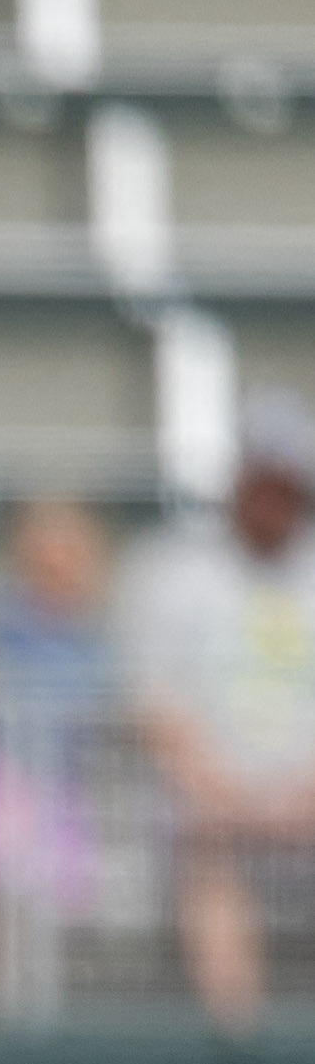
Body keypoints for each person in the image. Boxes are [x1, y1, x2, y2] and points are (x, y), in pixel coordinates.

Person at [121, 391, 315, 1028]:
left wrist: (298, 797)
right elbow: (156, 711)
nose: (271, 497)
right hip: (207, 813)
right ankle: (244, 1061)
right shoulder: (171, 572)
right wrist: (233, 800)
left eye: (284, 482)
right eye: (261, 479)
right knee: (211, 856)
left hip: (302, 803)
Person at [0, 494, 112, 1022]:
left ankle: (38, 1015)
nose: (57, 567)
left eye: (69, 554)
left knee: (49, 890)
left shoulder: (96, 645)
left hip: (62, 800)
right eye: (45, 554)